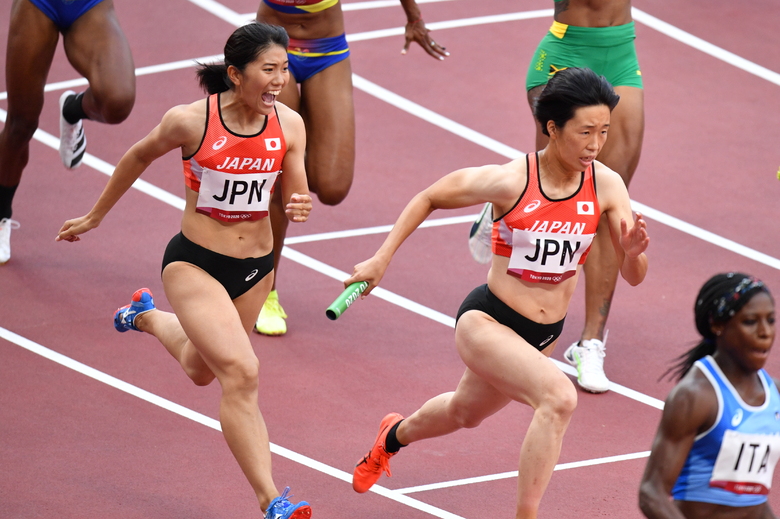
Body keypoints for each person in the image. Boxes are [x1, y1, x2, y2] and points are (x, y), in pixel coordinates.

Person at [347, 67, 649, 519]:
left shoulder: (606, 185)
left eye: (604, 132)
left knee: (464, 413)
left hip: (540, 335)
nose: (595, 144)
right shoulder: (511, 181)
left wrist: (631, 253)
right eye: (585, 131)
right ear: (552, 127)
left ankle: (392, 436)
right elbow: (430, 196)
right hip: (487, 321)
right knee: (559, 398)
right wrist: (380, 259)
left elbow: (635, 276)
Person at [55, 23, 313, 519]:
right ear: (236, 75)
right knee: (241, 373)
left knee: (200, 369)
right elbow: (137, 155)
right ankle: (272, 501)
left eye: (284, 69)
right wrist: (94, 215)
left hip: (258, 268)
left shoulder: (290, 124)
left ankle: (145, 316)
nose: (280, 80)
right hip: (195, 263)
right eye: (269, 69)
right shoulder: (190, 122)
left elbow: (293, 192)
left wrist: (298, 204)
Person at [470, 0, 644, 393]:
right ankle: (504, 201)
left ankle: (590, 342)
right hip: (565, 51)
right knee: (555, 186)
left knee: (608, 204)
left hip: (620, 47)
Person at [253, 0, 449, 336]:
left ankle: (291, 150)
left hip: (326, 46)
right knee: (279, 179)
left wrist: (413, 16)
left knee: (331, 185)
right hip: (271, 45)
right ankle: (263, 292)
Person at [0, 0, 136, 264]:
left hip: (87, 4)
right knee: (20, 124)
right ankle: (1, 213)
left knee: (117, 101)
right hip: (37, 4)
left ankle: (73, 110)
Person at [639, 273, 779, 519]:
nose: (765, 332)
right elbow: (652, 493)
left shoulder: (774, 394)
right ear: (718, 325)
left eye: (771, 320)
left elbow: (753, 498)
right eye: (750, 321)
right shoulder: (695, 396)